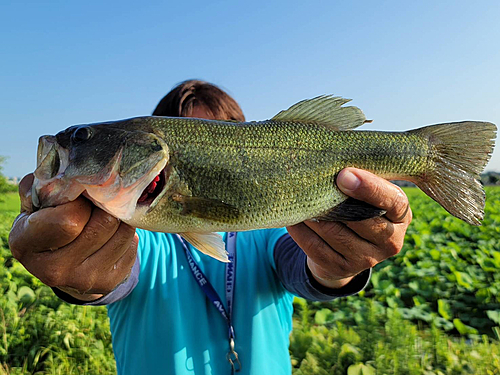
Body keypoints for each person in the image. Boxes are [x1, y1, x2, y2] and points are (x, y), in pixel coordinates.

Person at [9, 80, 412, 375]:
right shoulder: (134, 234)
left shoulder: (275, 230)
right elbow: (115, 272)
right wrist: (80, 272)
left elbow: (303, 267)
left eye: (224, 137)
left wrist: (340, 265)